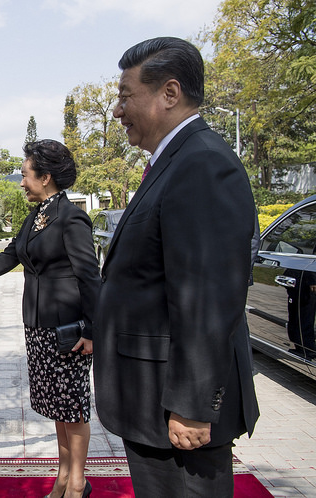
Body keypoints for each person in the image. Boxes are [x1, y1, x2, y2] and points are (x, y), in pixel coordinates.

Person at [92, 37, 259, 497]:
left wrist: (191, 404)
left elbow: (208, 296)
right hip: (150, 397)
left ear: (169, 93)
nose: (117, 110)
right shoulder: (174, 161)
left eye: (125, 96)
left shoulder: (202, 163)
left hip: (174, 407)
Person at [0, 139, 100, 498]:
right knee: (58, 407)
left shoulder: (71, 217)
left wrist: (93, 330)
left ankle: (77, 483)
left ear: (45, 177)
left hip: (69, 330)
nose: (21, 182)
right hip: (38, 325)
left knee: (73, 408)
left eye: (25, 175)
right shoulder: (38, 214)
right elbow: (10, 255)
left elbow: (91, 277)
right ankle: (63, 477)